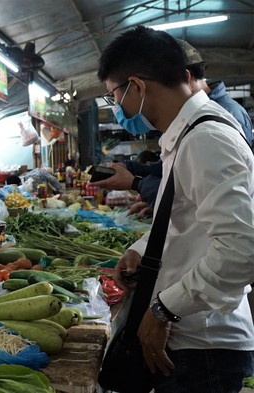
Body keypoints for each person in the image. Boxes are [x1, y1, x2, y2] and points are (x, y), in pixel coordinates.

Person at [99, 26, 254, 391]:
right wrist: (139, 252)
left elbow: (240, 250)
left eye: (113, 97)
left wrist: (163, 309)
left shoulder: (206, 139)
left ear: (136, 87)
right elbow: (186, 221)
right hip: (193, 336)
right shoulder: (185, 134)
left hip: (204, 345)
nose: (117, 108)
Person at [93, 39, 253, 218]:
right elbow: (185, 191)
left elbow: (234, 237)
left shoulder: (207, 134)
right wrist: (132, 169)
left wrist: (136, 183)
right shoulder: (185, 128)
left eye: (113, 95)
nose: (115, 105)